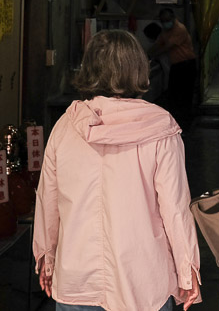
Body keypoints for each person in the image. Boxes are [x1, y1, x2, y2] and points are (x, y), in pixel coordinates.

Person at [33, 29, 201, 311]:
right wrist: (188, 271)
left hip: (76, 280)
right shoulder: (160, 128)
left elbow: (47, 202)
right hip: (143, 283)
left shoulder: (66, 126)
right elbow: (175, 209)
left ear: (89, 68)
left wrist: (47, 259)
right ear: (138, 68)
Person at [149, 8, 198, 129]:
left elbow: (167, 47)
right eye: (163, 21)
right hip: (177, 66)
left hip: (186, 65)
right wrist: (145, 53)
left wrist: (153, 54)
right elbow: (158, 43)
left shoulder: (179, 29)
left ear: (173, 18)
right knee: (174, 95)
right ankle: (177, 122)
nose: (165, 22)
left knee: (184, 95)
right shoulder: (166, 31)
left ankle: (185, 125)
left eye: (167, 20)